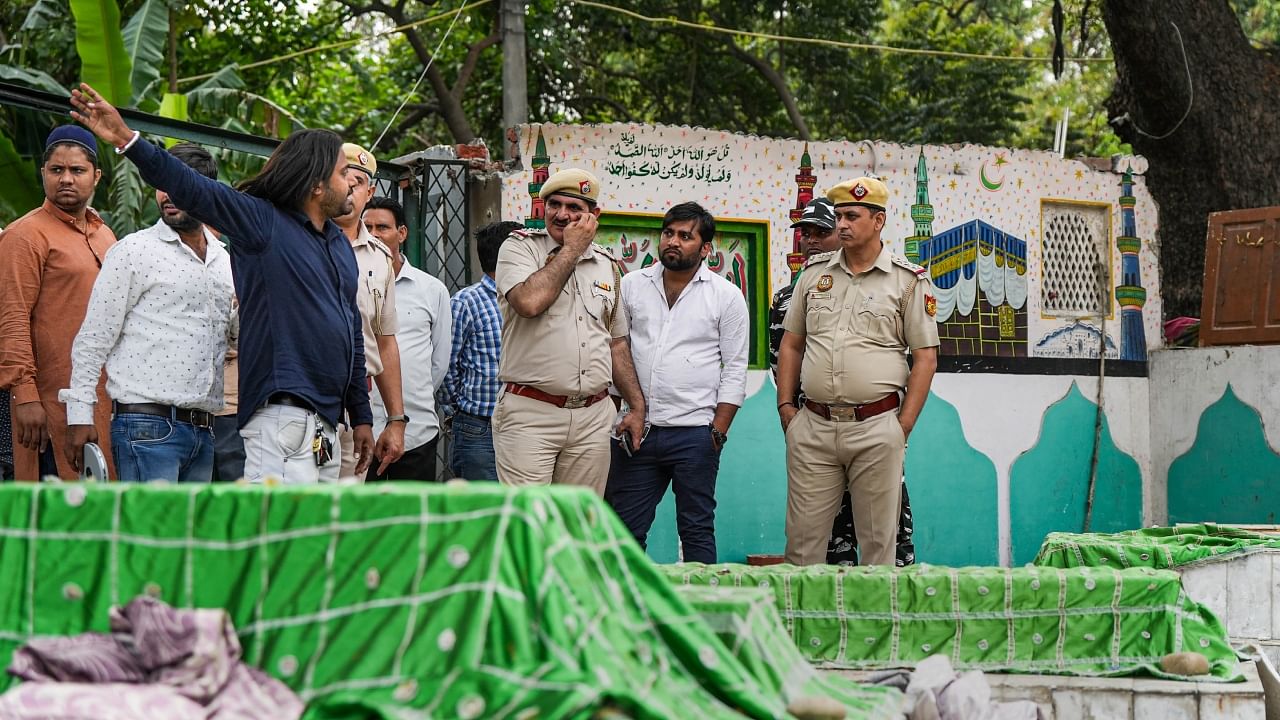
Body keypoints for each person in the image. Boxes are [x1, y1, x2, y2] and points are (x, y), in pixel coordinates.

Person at [70, 82, 374, 484]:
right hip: (280, 418)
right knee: (276, 543)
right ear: (317, 184)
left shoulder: (336, 245)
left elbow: (350, 327)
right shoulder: (263, 222)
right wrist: (128, 140)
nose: (350, 183)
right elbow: (192, 187)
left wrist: (362, 414)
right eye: (341, 174)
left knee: (313, 545)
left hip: (324, 426)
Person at [776, 176, 939, 566]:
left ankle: (875, 628)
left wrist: (902, 426)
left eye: (852, 216)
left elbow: (926, 358)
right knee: (801, 547)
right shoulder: (814, 275)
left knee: (878, 548)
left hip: (876, 427)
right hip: (813, 426)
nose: (842, 224)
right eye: (839, 216)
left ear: (878, 221)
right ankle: (800, 627)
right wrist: (786, 409)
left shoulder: (907, 280)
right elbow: (792, 344)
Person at [60, 143, 235, 482]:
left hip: (204, 431)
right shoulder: (134, 251)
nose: (168, 195)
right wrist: (79, 416)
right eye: (161, 184)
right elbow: (94, 338)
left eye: (179, 185)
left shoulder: (225, 262)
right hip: (146, 429)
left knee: (186, 536)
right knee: (150, 534)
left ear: (208, 192)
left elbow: (231, 337)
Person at [605, 202, 747, 563]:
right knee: (623, 531)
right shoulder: (633, 285)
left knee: (696, 529)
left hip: (695, 433)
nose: (674, 241)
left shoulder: (726, 295)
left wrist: (716, 432)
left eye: (686, 236)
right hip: (638, 430)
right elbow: (615, 349)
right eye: (669, 233)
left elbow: (734, 368)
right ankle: (628, 610)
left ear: (705, 249)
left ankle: (701, 612)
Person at [493, 169, 646, 494]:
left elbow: (616, 344)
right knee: (529, 524)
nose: (562, 215)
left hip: (593, 417)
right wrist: (572, 250)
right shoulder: (519, 248)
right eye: (554, 205)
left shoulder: (608, 265)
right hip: (530, 413)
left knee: (578, 526)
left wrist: (636, 405)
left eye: (574, 208)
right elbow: (529, 302)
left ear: (594, 215)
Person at [0, 125, 116, 480]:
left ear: (95, 176)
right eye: (56, 170)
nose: (66, 179)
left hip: (105, 400)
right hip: (49, 402)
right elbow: (12, 316)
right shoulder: (25, 234)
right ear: (43, 174)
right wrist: (24, 395)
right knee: (60, 514)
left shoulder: (105, 234)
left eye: (77, 170)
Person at [361, 196, 451, 481]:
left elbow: (439, 361)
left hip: (416, 430)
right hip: (361, 430)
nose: (374, 234)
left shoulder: (432, 290)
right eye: (368, 227)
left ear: (401, 233)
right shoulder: (348, 283)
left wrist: (408, 399)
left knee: (413, 520)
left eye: (382, 227)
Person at [333, 145, 407, 481]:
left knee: (346, 510)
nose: (348, 186)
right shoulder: (301, 239)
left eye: (358, 181)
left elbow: (385, 341)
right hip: (303, 396)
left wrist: (395, 419)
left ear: (370, 192)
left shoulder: (380, 257)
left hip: (358, 405)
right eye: (341, 177)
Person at [438, 220, 520, 480]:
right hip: (479, 428)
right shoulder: (466, 302)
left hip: (526, 429)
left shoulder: (533, 300)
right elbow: (446, 366)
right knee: (481, 511)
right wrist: (460, 413)